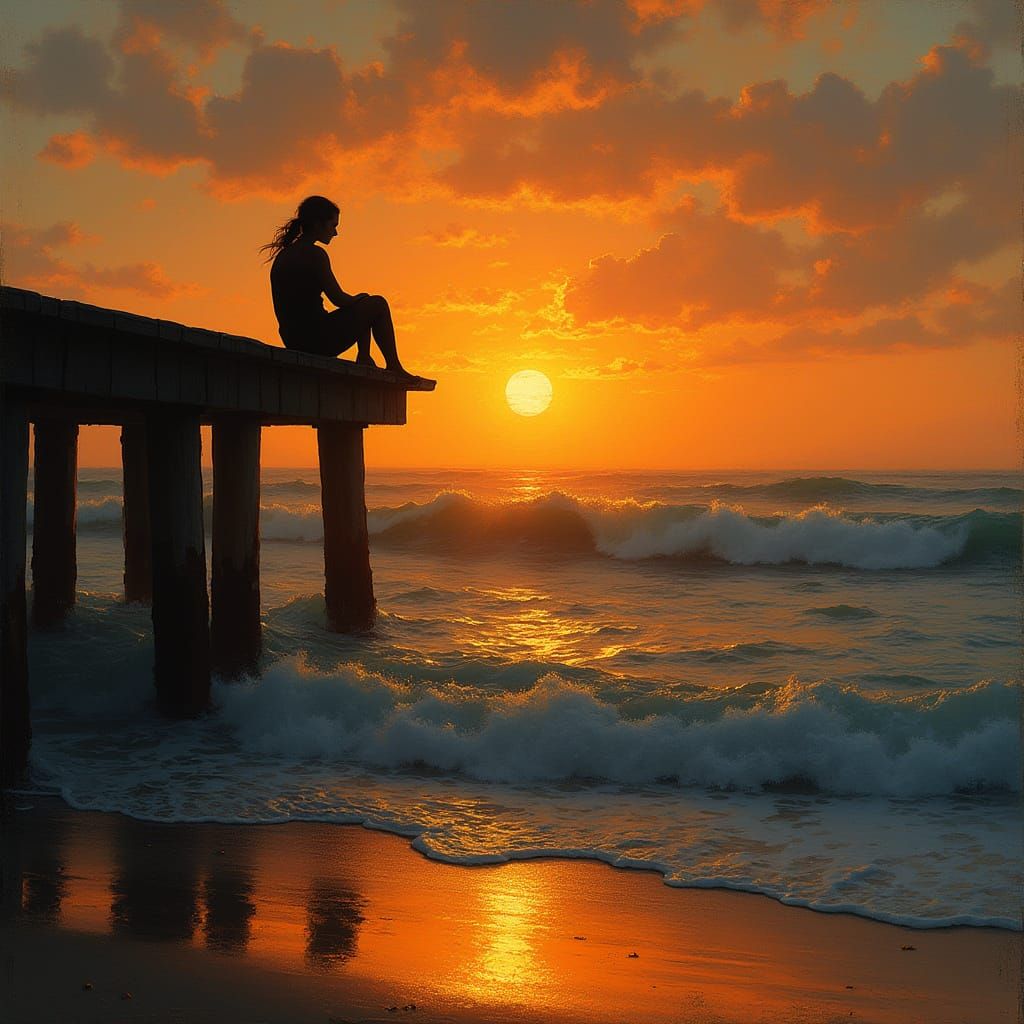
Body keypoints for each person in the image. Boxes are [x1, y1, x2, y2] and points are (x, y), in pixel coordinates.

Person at [261, 195, 414, 377]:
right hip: (317, 339)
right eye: (333, 226)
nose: (335, 233)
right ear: (318, 224)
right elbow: (339, 299)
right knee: (377, 304)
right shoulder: (315, 254)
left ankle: (364, 357)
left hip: (292, 339)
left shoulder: (284, 255)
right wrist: (362, 299)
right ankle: (393, 365)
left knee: (362, 304)